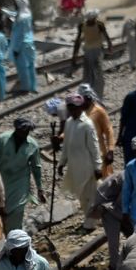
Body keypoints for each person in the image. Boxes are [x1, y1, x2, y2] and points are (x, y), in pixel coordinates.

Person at [0, 117, 45, 235]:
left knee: (17, 210)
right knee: (3, 211)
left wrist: (40, 188)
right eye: (22, 131)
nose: (24, 133)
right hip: (2, 181)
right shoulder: (3, 140)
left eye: (27, 131)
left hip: (20, 182)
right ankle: (8, 237)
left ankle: (16, 238)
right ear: (16, 129)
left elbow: (36, 167)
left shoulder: (32, 145)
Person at [58, 94, 102, 228]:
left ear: (81, 108)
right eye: (70, 108)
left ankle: (90, 224)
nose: (73, 110)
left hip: (87, 167)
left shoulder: (87, 125)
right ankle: (89, 219)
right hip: (75, 167)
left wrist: (97, 166)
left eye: (75, 108)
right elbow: (66, 146)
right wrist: (61, 163)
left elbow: (94, 147)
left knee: (90, 196)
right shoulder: (70, 123)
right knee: (82, 197)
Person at [71, 9, 113, 97]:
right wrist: (110, 46)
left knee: (88, 73)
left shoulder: (82, 25)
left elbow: (77, 41)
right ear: (95, 17)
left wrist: (74, 55)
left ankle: (87, 93)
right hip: (97, 52)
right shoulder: (99, 24)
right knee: (97, 73)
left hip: (88, 52)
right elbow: (107, 37)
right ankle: (97, 94)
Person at [92, 170, 125, 270]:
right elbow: (122, 203)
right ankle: (114, 267)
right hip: (107, 207)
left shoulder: (134, 175)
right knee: (113, 239)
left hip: (114, 204)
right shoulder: (128, 179)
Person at [80, 84, 115, 177]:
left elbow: (109, 130)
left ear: (88, 98)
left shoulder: (98, 111)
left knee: (103, 185)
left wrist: (110, 150)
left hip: (99, 155)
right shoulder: (78, 112)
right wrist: (61, 137)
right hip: (83, 156)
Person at [8, 0, 37, 93]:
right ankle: (33, 87)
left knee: (22, 67)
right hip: (30, 43)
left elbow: (20, 35)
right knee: (31, 66)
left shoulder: (20, 18)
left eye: (15, 4)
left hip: (21, 45)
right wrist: (2, 10)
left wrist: (16, 49)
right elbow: (12, 14)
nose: (14, 5)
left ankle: (25, 88)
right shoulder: (27, 14)